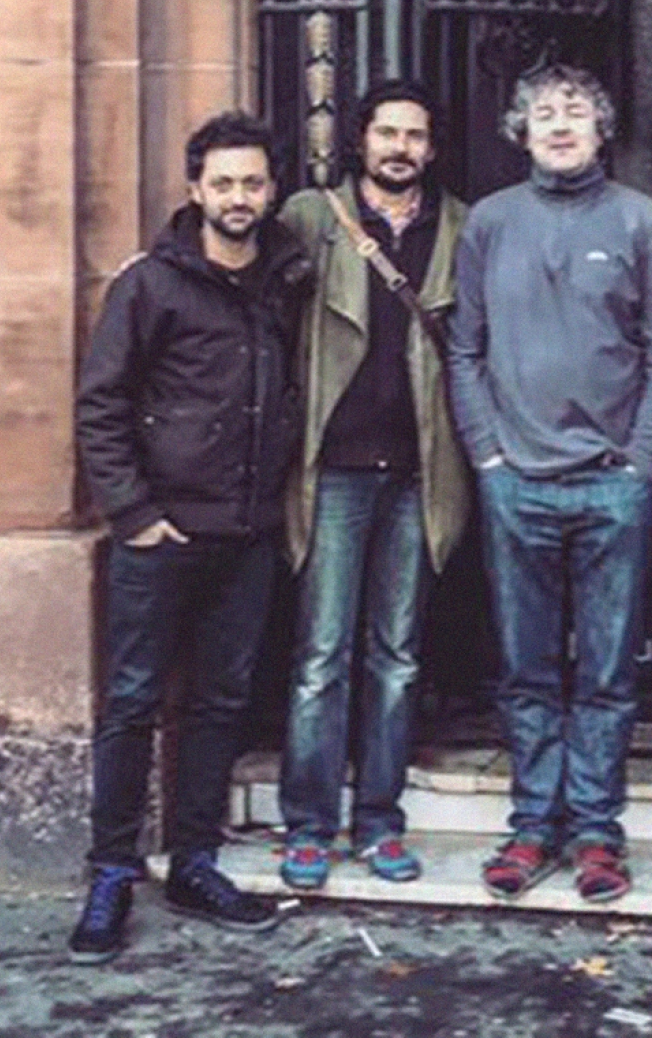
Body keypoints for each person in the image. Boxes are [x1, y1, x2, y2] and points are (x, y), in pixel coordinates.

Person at [69, 112, 309, 962]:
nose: (239, 197)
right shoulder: (151, 284)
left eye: (253, 183)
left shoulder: (287, 276)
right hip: (162, 534)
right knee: (133, 703)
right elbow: (101, 404)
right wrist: (134, 514)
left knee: (219, 703)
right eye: (224, 182)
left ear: (271, 191)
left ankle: (195, 861)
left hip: (248, 534)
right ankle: (111, 871)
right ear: (195, 189)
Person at [449, 64, 652, 905]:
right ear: (521, 130)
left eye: (576, 112)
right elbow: (464, 348)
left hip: (611, 483)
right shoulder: (489, 222)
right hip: (516, 482)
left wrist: (642, 461)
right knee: (526, 669)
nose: (560, 125)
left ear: (602, 129)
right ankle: (531, 826)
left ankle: (595, 832)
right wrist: (487, 455)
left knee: (607, 675)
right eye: (544, 112)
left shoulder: (641, 220)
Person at [273, 80, 472, 891]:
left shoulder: (459, 226)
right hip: (335, 471)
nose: (400, 148)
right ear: (360, 140)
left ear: (432, 147)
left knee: (396, 657)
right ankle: (309, 824)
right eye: (388, 132)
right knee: (321, 655)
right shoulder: (310, 218)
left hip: (418, 471)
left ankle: (380, 821)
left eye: (415, 135)